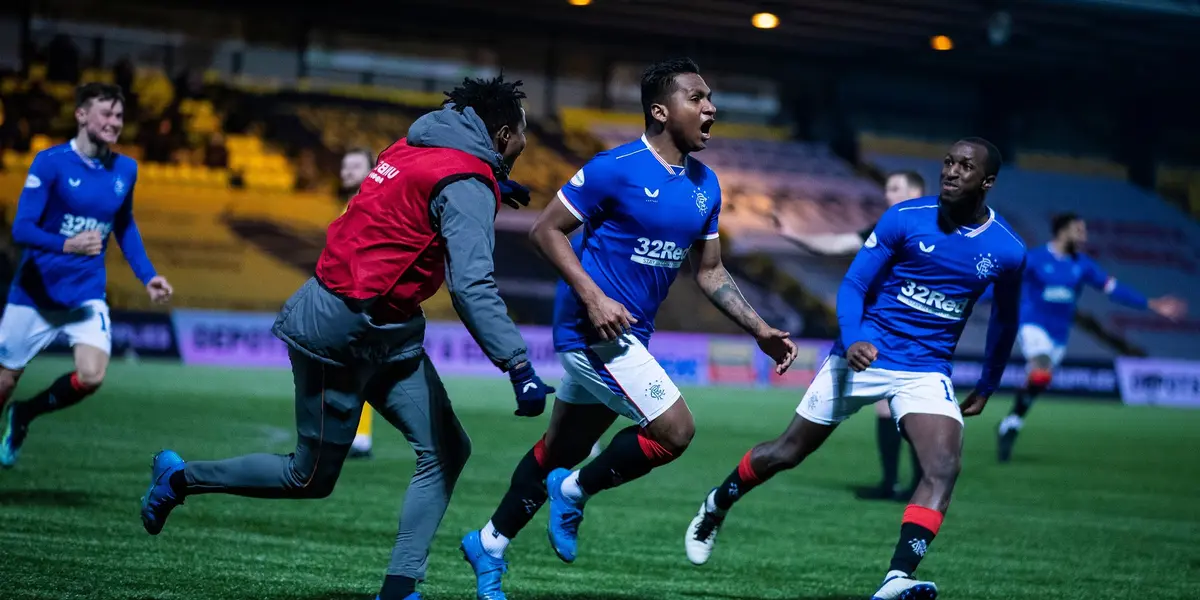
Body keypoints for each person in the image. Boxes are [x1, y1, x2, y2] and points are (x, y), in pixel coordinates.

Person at [138, 74, 555, 600]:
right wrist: (518, 365)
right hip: (341, 332)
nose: (522, 148)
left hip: (381, 330)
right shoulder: (466, 182)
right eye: (520, 140)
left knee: (447, 449)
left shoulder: (414, 143)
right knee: (308, 477)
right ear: (499, 135)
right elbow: (471, 285)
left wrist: (489, 184)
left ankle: (400, 588)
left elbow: (415, 201)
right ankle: (179, 479)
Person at [460, 57, 798, 600]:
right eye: (697, 98)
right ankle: (573, 493)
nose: (711, 108)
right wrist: (594, 298)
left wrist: (760, 329)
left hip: (630, 338)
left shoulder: (705, 185)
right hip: (590, 331)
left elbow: (709, 272)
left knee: (560, 447)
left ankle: (489, 544)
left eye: (711, 98)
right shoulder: (613, 168)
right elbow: (547, 232)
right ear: (661, 112)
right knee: (675, 431)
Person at [683, 138, 1027, 600]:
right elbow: (855, 283)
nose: (951, 171)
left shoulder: (1007, 250)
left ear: (987, 181)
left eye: (965, 166)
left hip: (925, 369)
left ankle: (897, 576)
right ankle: (716, 504)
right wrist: (855, 336)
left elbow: (1006, 321)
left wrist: (989, 381)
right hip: (862, 354)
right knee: (787, 452)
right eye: (947, 162)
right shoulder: (905, 218)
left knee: (943, 467)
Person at [0, 82, 172, 468]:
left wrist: (148, 276)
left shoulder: (126, 169)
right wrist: (67, 245)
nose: (115, 123)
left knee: (92, 376)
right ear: (81, 115)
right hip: (35, 292)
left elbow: (124, 226)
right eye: (106, 114)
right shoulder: (50, 162)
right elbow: (21, 229)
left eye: (119, 116)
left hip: (86, 292)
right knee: (5, 381)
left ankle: (25, 414)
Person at [996, 212, 1186, 462]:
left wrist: (1151, 303)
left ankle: (1012, 421)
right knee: (1040, 368)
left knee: (1039, 380)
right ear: (1063, 231)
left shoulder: (1082, 264)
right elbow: (1004, 281)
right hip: (1033, 326)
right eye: (1079, 230)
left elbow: (1113, 289)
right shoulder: (1035, 259)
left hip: (1059, 335)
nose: (1084, 236)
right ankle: (1013, 419)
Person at [337, 146, 378, 459]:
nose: (347, 171)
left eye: (355, 165)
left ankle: (359, 437)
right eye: (344, 166)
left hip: (364, 299)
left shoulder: (370, 204)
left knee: (359, 367)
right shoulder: (351, 205)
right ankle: (355, 434)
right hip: (351, 297)